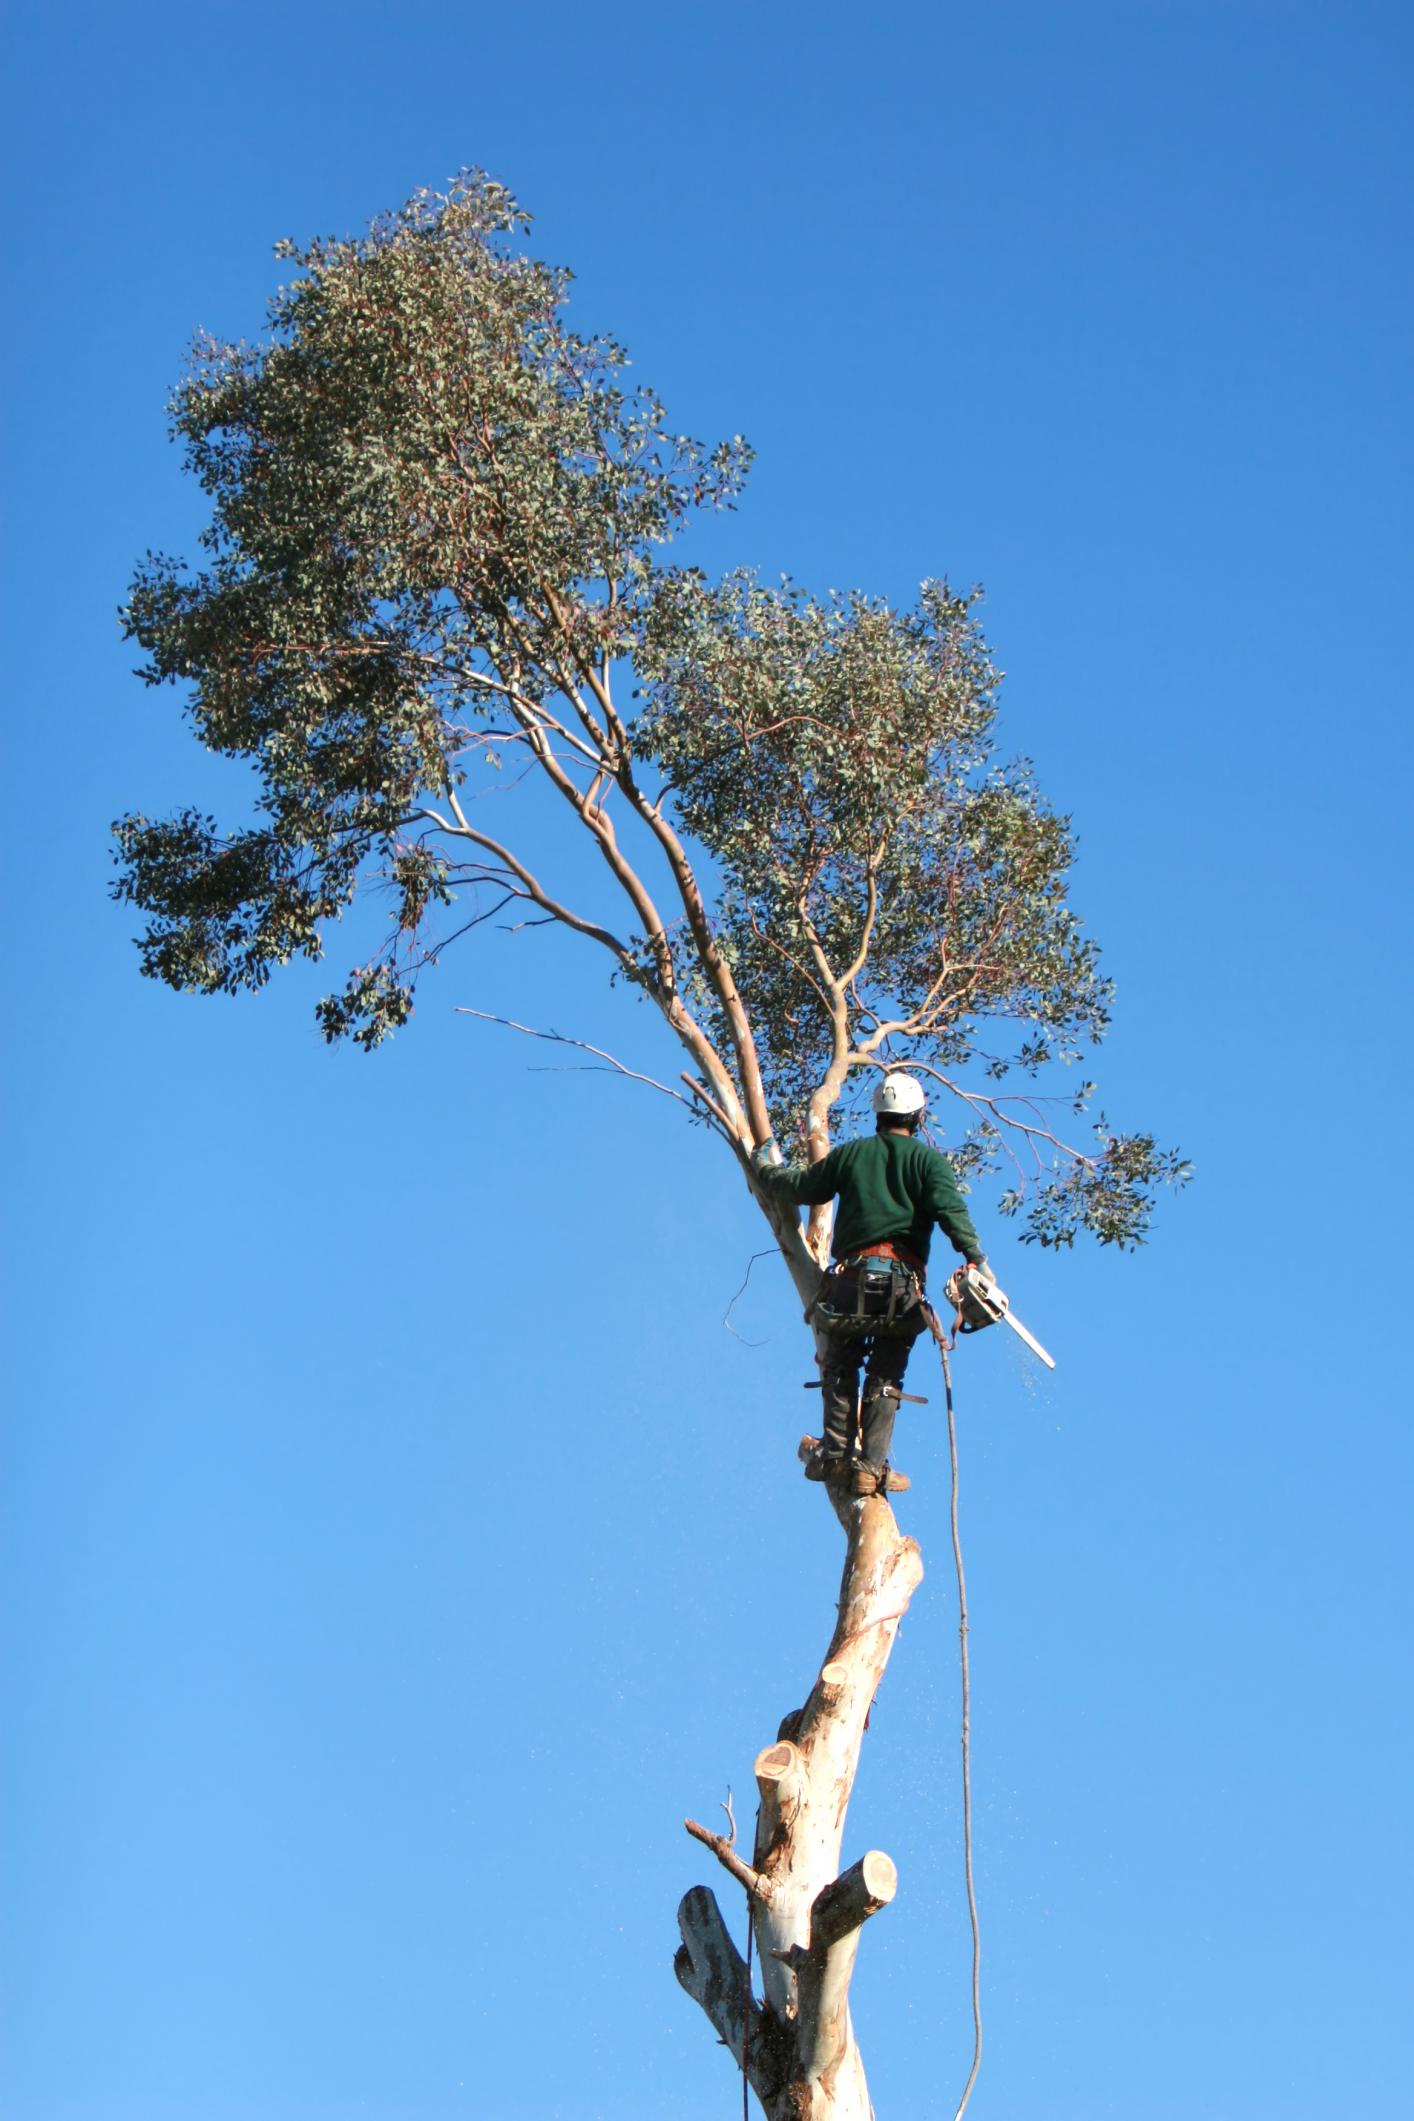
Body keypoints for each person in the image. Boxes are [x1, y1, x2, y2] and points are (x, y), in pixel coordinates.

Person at [751, 1073, 989, 1496]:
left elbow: (802, 1186)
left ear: (878, 1114)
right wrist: (975, 1258)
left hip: (852, 1280)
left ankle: (836, 1454)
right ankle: (869, 1466)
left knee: (841, 1365)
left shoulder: (852, 1155)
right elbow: (951, 1210)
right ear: (917, 1116)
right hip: (901, 1287)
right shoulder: (927, 1162)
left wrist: (766, 1168)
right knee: (886, 1375)